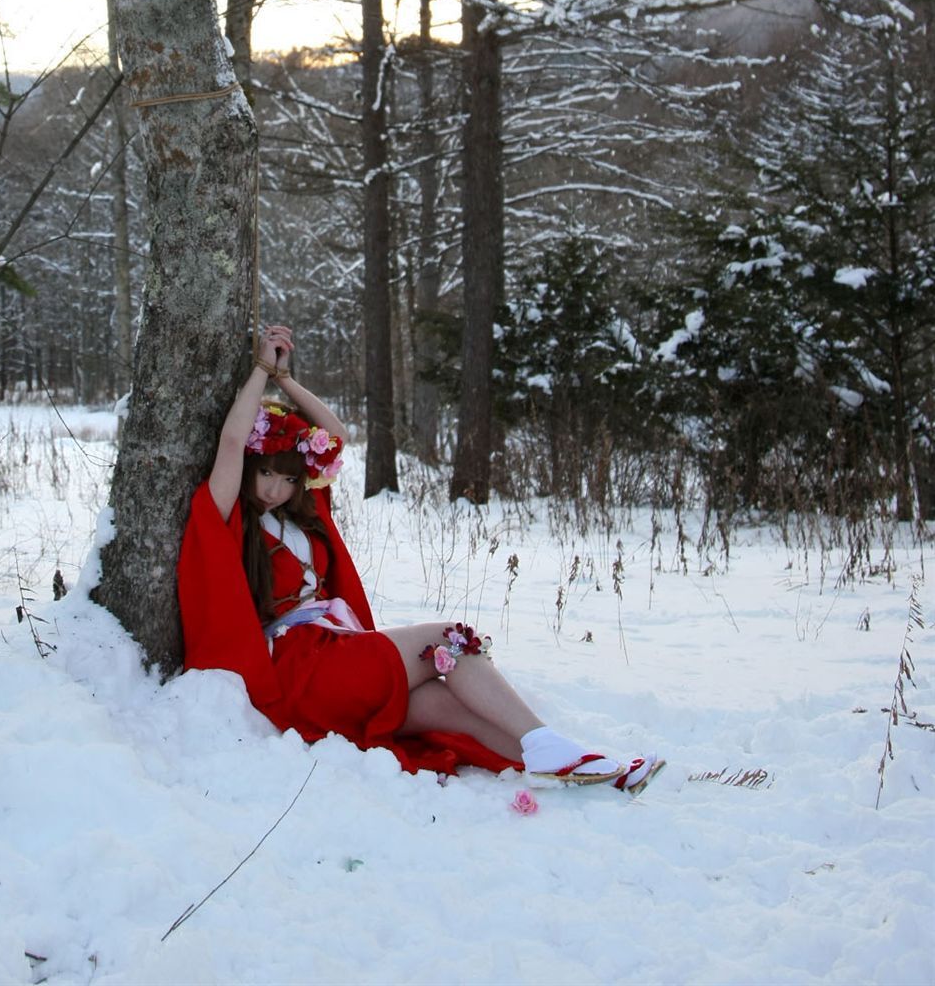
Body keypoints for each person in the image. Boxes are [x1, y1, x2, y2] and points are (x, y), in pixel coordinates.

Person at [178, 324, 663, 791]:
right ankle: (546, 744)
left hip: (338, 654)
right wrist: (261, 370)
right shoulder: (230, 520)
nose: (276, 489)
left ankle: (586, 768)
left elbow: (335, 434)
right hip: (302, 668)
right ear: (249, 469)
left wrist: (286, 380)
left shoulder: (304, 513)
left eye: (288, 479)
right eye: (267, 474)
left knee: (446, 708)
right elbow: (232, 441)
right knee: (451, 640)